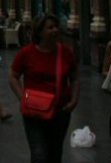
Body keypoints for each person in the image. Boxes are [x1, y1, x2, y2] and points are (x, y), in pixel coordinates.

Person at [9, 13, 80, 163]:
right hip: (34, 112)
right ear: (40, 32)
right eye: (50, 27)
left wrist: (74, 100)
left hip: (60, 110)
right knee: (39, 153)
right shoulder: (26, 53)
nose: (55, 30)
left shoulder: (65, 52)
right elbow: (13, 77)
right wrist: (22, 98)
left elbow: (75, 78)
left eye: (56, 27)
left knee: (55, 152)